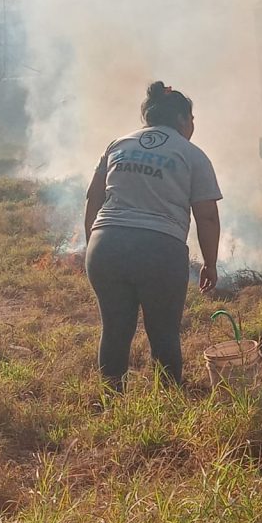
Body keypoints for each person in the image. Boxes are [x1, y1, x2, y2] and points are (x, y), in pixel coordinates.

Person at [83, 81, 223, 391]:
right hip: (159, 251)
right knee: (164, 332)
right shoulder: (192, 155)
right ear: (184, 119)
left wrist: (92, 242)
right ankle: (169, 402)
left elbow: (93, 198)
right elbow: (208, 216)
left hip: (105, 245)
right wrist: (210, 264)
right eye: (193, 119)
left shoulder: (118, 144)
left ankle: (111, 398)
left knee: (115, 329)